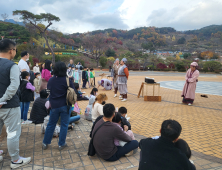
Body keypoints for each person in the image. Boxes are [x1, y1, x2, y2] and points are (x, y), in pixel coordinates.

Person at [0, 39, 31, 169]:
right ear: (11, 50)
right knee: (13, 132)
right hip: (9, 105)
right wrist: (2, 99)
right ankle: (15, 160)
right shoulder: (12, 65)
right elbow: (14, 86)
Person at [42, 61, 75, 151]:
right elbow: (73, 91)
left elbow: (48, 92)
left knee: (51, 124)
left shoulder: (51, 80)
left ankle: (45, 143)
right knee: (64, 125)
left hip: (54, 106)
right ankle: (61, 144)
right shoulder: (67, 79)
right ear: (64, 69)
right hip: (65, 105)